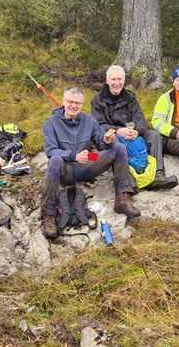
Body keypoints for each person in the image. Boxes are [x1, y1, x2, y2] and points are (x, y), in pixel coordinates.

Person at [41, 87, 141, 238]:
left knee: (119, 148)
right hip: (65, 166)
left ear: (82, 105)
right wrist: (73, 156)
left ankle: (122, 198)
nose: (74, 106)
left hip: (88, 160)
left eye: (78, 103)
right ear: (63, 102)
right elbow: (51, 151)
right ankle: (48, 215)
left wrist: (106, 141)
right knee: (55, 160)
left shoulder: (89, 121)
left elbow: (102, 142)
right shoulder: (51, 123)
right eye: (70, 102)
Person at [90, 65, 178, 191]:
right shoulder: (97, 100)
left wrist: (136, 131)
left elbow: (140, 119)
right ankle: (128, 180)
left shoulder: (130, 98)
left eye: (119, 79)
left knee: (153, 135)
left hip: (132, 135)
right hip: (111, 137)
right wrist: (118, 130)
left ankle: (158, 174)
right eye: (113, 79)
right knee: (114, 140)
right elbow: (97, 124)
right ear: (107, 81)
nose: (117, 83)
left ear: (124, 81)